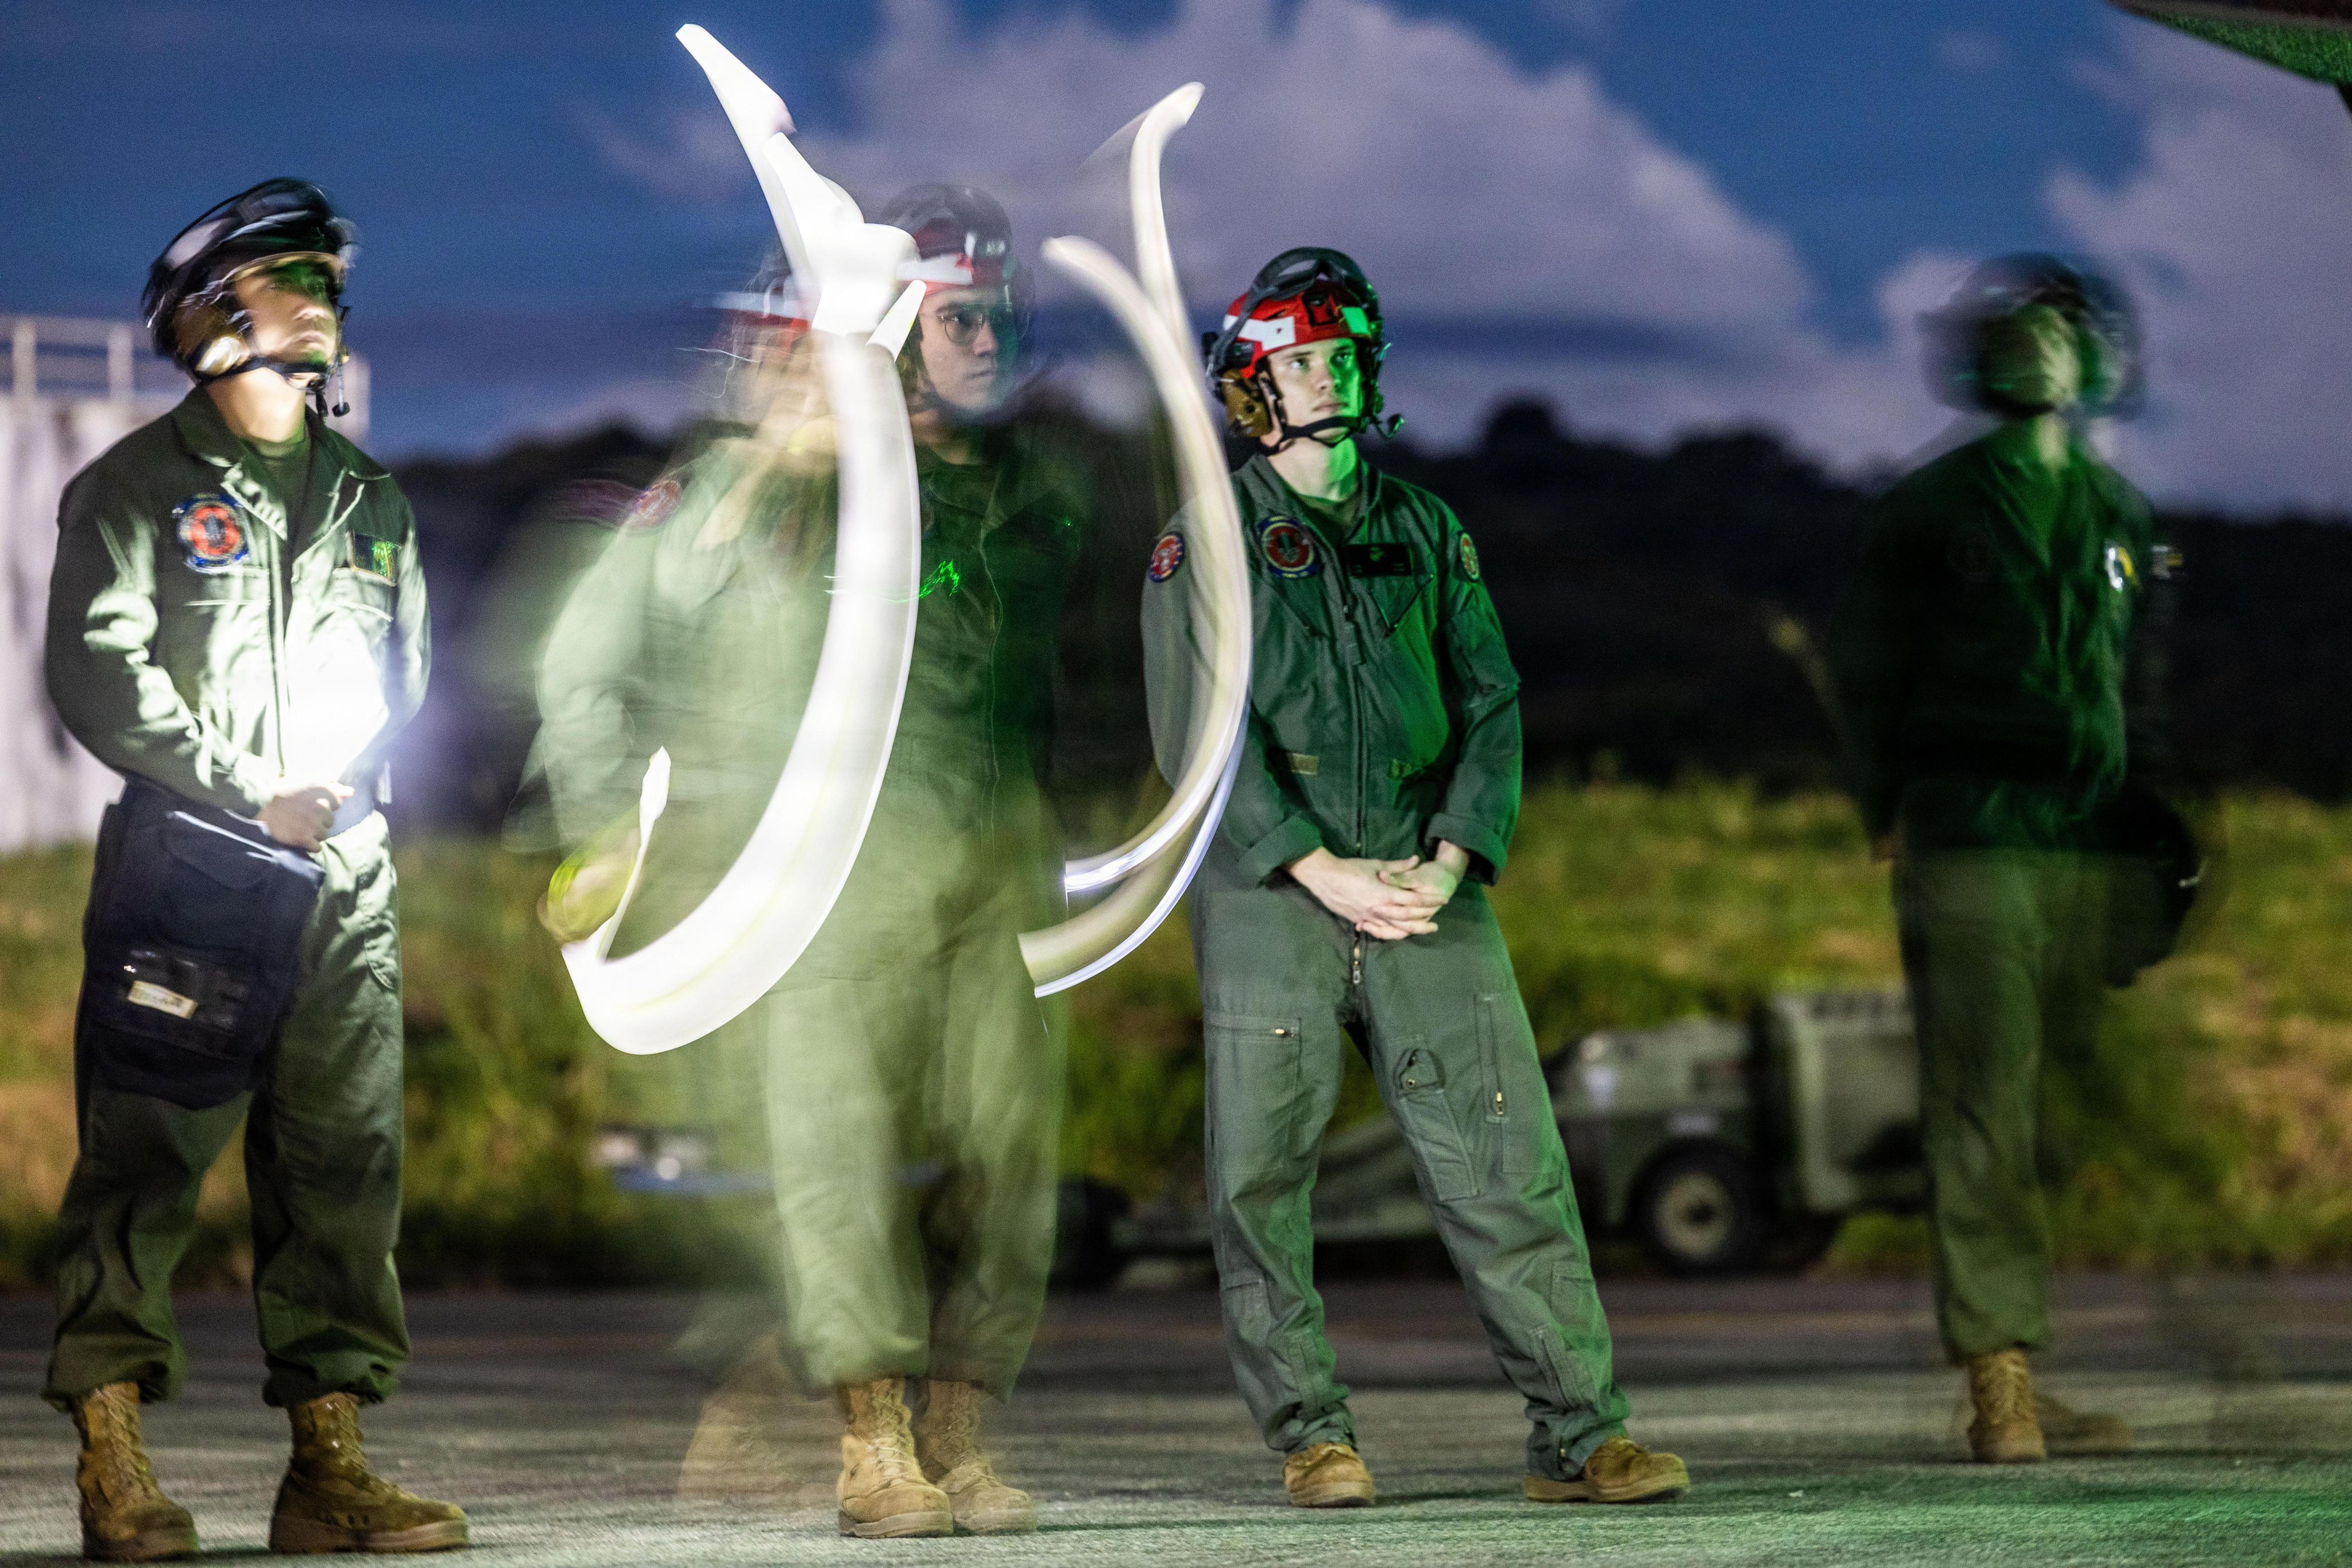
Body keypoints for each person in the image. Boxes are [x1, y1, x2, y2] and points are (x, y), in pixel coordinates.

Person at [536, 185, 1079, 1540]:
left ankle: (960, 1433)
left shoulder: (1013, 495)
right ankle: (868, 1440)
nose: (986, 339)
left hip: (993, 871)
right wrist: (608, 827)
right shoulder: (755, 489)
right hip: (824, 882)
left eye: (995, 316)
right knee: (837, 1152)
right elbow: (586, 660)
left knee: (1005, 1157)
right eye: (955, 315)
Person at [1140, 247, 1688, 1510]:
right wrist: (1313, 865)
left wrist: (1452, 855)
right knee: (1259, 1179)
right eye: (1298, 361)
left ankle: (1581, 1434)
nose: (1325, 379)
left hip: (1423, 880)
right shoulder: (1202, 543)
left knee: (1506, 1161)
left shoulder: (1429, 529)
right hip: (1272, 890)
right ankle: (1311, 1436)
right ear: (1252, 385)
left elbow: (1492, 701)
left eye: (1341, 357)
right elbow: (1195, 733)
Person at [41, 179, 462, 1558]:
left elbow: (407, 677)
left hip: (344, 881)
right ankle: (113, 1459)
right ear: (211, 314)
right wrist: (241, 788)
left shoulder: (371, 499)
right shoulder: (132, 490)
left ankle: (328, 1470)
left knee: (345, 1165)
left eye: (327, 279)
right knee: (144, 1159)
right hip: (191, 872)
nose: (325, 300)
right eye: (294, 279)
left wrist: (342, 806)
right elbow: (98, 671)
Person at [1827, 254, 2160, 1464]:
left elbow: (2130, 671)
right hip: (1968, 828)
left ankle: (2016, 1348)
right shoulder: (1930, 510)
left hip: (2082, 841)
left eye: (2057, 332)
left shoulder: (2117, 515)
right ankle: (1998, 1374)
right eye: (2022, 335)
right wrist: (1886, 803)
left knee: (2053, 1101)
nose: (2040, 352)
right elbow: (1866, 668)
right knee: (1980, 1097)